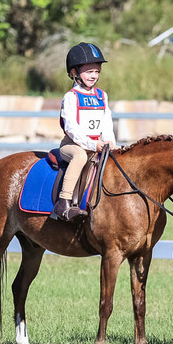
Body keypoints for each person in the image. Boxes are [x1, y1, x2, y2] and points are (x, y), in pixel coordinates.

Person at [50, 42, 117, 221]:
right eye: (89, 71)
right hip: (72, 145)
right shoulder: (71, 97)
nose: (94, 75)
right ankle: (63, 202)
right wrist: (93, 144)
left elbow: (106, 122)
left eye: (96, 71)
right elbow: (72, 129)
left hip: (98, 145)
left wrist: (110, 141)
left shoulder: (102, 96)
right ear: (74, 73)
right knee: (79, 156)